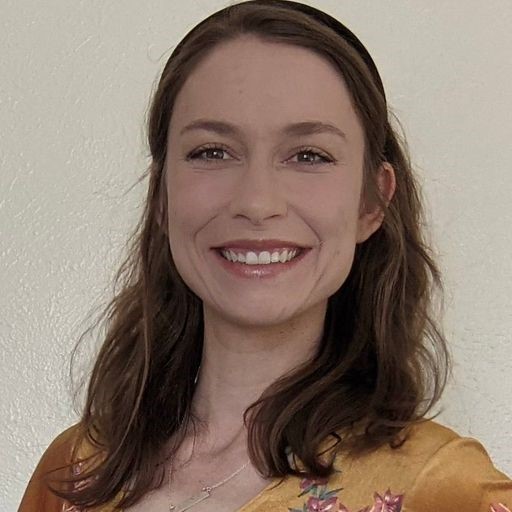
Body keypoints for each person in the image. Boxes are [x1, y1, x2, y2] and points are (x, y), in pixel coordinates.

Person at [18, 1, 511, 511]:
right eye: (212, 152)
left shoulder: (444, 489)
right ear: (161, 195)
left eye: (309, 156)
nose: (256, 202)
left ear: (372, 202)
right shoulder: (76, 470)